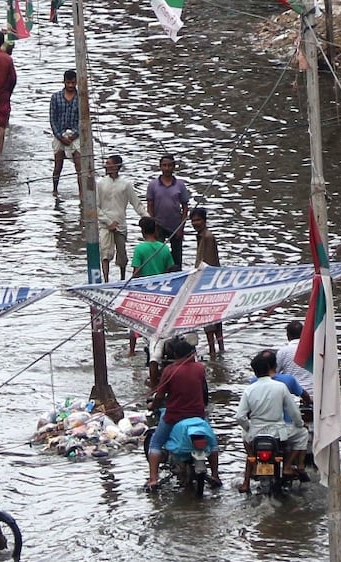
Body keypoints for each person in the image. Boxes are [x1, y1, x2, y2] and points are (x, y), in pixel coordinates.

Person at [145, 336, 221, 490]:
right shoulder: (200, 368)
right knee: (212, 443)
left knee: (156, 443)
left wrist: (153, 405)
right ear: (191, 353)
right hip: (198, 414)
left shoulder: (169, 371)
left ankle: (153, 478)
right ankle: (215, 475)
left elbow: (160, 395)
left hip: (174, 416)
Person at [236, 349, 309, 493]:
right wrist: (300, 424)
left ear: (255, 372)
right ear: (270, 368)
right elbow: (294, 412)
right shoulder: (280, 387)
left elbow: (240, 417)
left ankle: (246, 482)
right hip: (278, 434)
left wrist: (248, 427)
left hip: (255, 434)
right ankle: (287, 466)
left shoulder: (249, 389)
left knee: (248, 448)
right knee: (303, 434)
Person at [128, 217, 175, 360]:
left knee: (135, 322)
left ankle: (131, 351)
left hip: (144, 292)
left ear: (142, 232)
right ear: (155, 230)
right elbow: (170, 270)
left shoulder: (139, 249)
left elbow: (136, 273)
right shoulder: (164, 248)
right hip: (161, 292)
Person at [97, 155, 148, 282]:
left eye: (108, 163)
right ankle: (106, 280)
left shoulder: (126, 185)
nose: (105, 166)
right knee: (105, 254)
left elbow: (137, 204)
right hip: (105, 224)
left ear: (116, 166)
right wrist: (108, 222)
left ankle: (122, 279)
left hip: (120, 224)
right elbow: (95, 207)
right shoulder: (100, 183)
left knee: (122, 256)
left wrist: (147, 218)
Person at [190, 207, 223, 357]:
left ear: (204, 220)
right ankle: (218, 351)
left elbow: (207, 263)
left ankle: (213, 352)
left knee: (209, 320)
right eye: (193, 220)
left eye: (198, 220)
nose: (195, 223)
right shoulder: (202, 236)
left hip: (208, 284)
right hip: (211, 283)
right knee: (216, 319)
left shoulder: (207, 237)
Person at [146, 155, 189, 269]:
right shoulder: (153, 185)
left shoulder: (180, 185)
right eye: (164, 165)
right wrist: (152, 224)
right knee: (158, 254)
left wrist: (181, 227)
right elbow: (150, 205)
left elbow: (185, 207)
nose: (167, 168)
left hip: (176, 226)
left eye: (169, 165)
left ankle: (177, 275)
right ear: (160, 167)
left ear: (174, 167)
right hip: (158, 226)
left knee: (177, 257)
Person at [49, 70, 82, 196]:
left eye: (73, 83)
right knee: (58, 167)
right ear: (64, 82)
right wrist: (60, 136)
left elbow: (83, 119)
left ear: (76, 82)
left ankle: (82, 194)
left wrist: (74, 135)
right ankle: (55, 190)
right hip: (60, 135)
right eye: (68, 83)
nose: (70, 85)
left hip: (75, 135)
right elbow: (53, 119)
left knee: (80, 167)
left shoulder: (80, 98)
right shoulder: (55, 97)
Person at [276, 320, 313, 395]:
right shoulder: (313, 349)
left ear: (288, 335)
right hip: (313, 391)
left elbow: (273, 372)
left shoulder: (283, 351)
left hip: (293, 393)